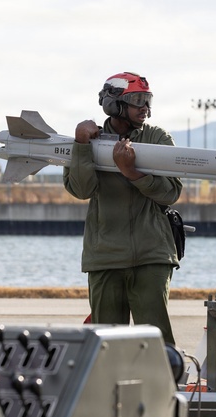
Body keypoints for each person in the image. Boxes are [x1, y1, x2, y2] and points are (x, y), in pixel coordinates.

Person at [64, 72, 182, 345]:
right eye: (138, 100)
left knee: (155, 343)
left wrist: (131, 172)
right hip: (105, 258)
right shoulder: (88, 139)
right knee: (105, 345)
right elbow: (81, 190)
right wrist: (81, 145)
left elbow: (171, 193)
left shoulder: (157, 138)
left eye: (148, 101)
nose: (145, 108)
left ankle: (163, 387)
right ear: (115, 103)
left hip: (151, 256)